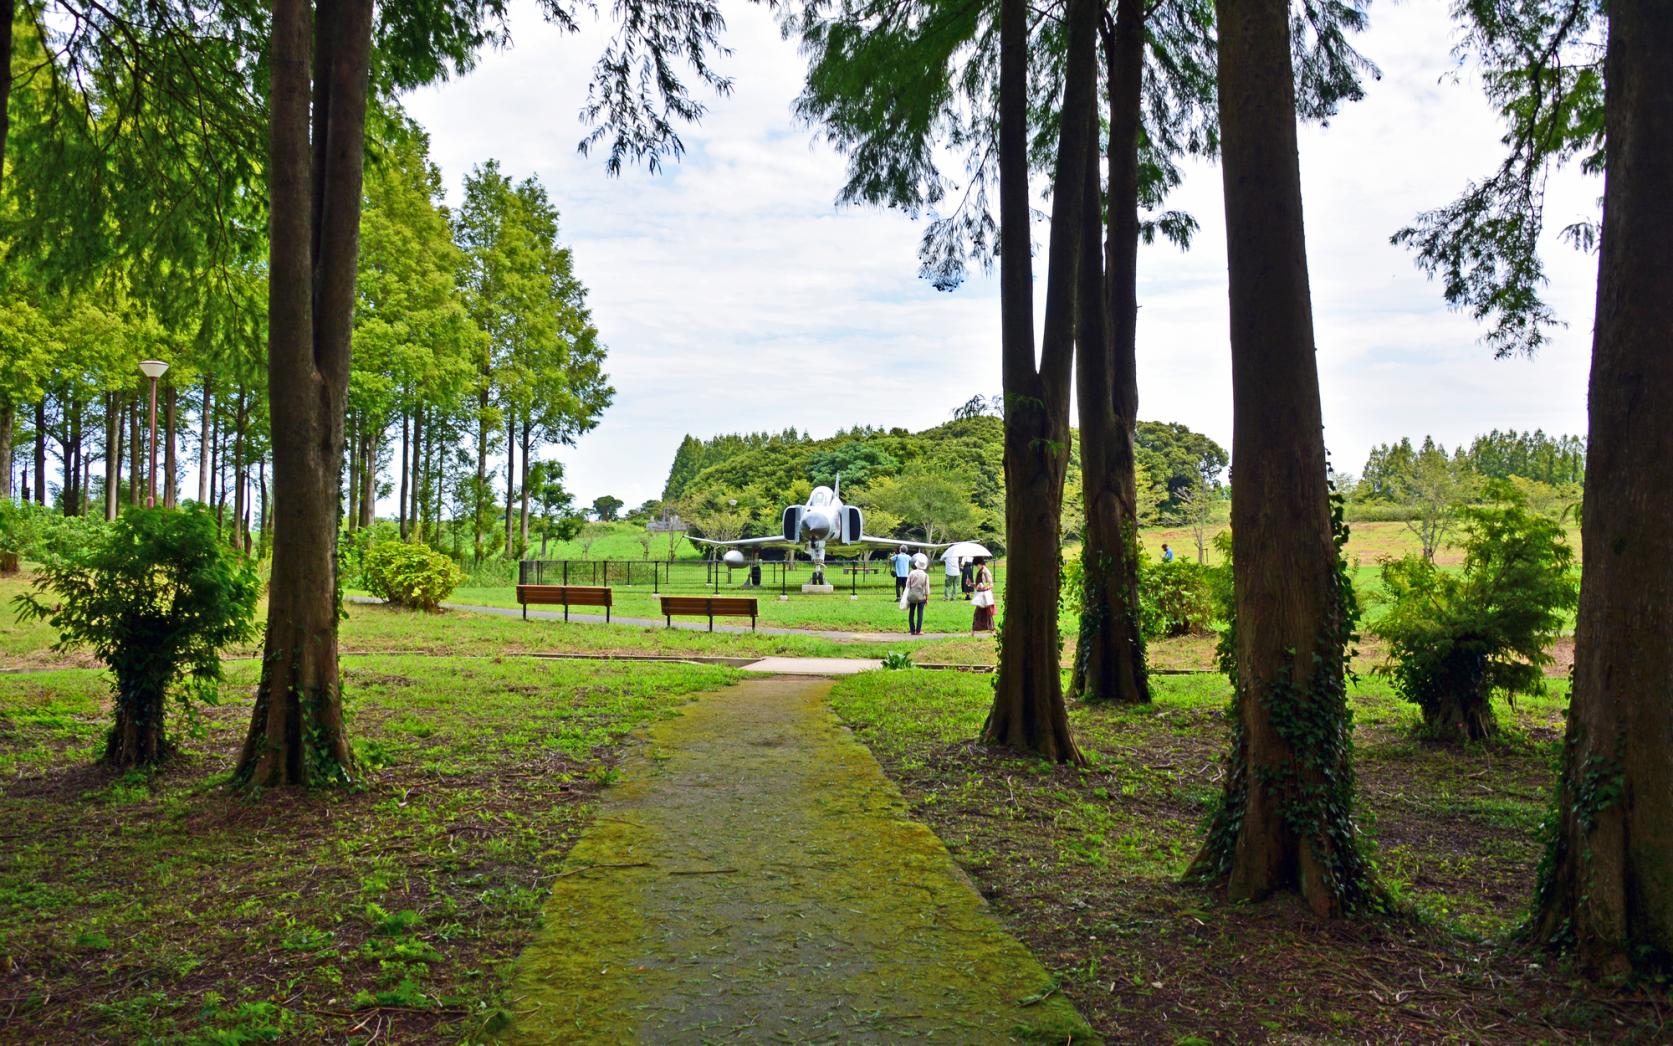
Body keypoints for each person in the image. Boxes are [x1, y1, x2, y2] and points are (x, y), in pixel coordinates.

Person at [903, 553, 931, 635]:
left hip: (912, 595)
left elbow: (907, 585)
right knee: (920, 613)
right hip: (921, 596)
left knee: (911, 613)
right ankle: (918, 631)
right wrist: (926, 598)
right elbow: (926, 588)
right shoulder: (925, 575)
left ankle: (912, 630)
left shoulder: (911, 573)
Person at [970, 557, 995, 632]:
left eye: (976, 565)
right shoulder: (980, 571)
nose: (976, 567)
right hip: (980, 596)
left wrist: (984, 587)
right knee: (977, 614)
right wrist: (971, 584)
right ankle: (973, 632)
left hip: (985, 597)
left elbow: (991, 584)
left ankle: (992, 631)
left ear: (980, 564)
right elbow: (978, 585)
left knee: (987, 614)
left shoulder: (986, 571)